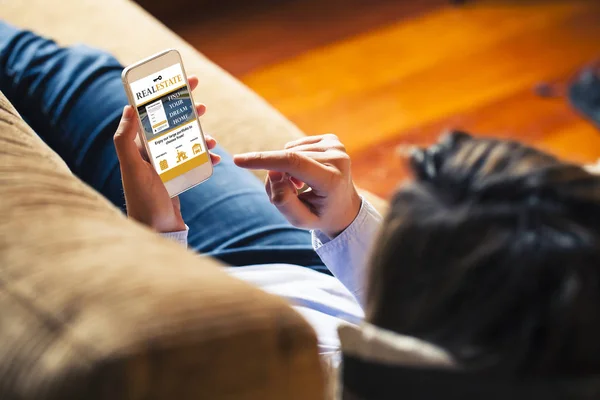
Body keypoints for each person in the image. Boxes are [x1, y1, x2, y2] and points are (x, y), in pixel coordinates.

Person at [4, 22, 600, 376]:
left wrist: (157, 232)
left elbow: (181, 357)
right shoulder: (552, 317)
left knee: (68, 94)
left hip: (202, 296)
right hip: (293, 264)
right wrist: (345, 222)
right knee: (80, 80)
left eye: (396, 240)